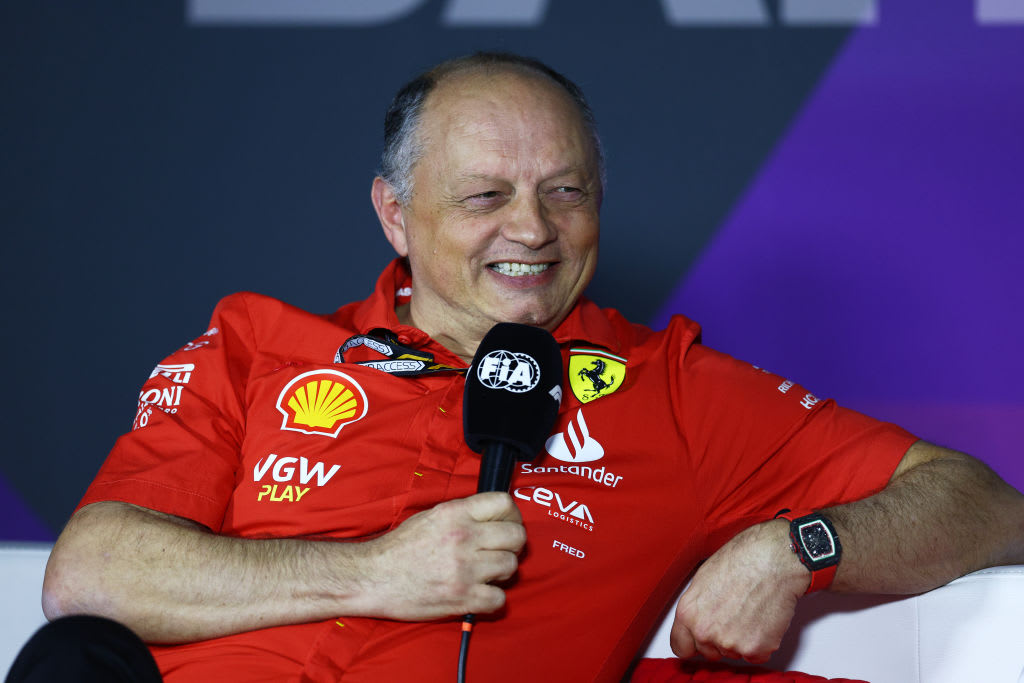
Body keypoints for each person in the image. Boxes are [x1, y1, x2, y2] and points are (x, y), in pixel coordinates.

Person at [37, 52, 1024, 682]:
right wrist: (378, 570)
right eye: (484, 195)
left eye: (565, 190)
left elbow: (986, 504)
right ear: (393, 213)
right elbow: (91, 571)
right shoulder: (258, 344)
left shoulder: (669, 387)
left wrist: (797, 545)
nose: (532, 229)